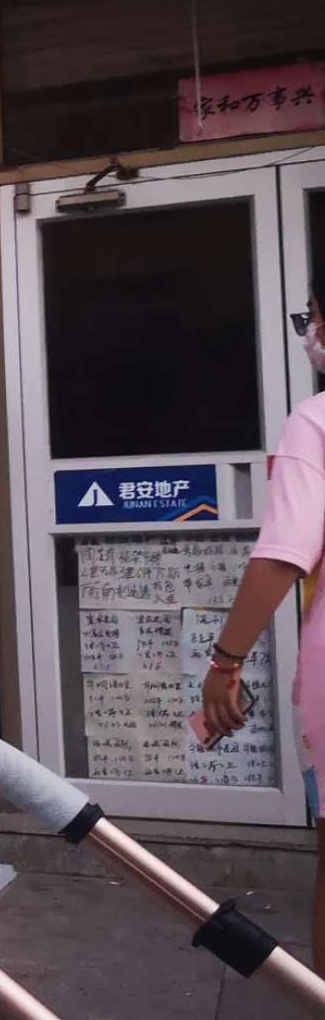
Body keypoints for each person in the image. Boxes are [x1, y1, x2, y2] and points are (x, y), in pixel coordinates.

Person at [201, 290, 325, 973]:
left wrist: (224, 663)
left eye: (310, 316)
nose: (307, 333)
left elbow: (286, 550)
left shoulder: (315, 420)